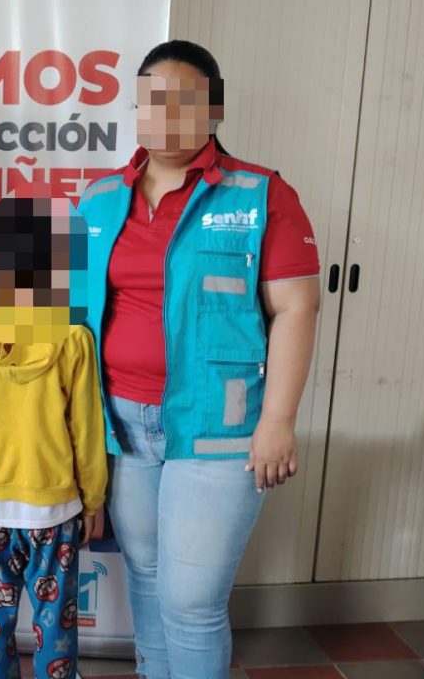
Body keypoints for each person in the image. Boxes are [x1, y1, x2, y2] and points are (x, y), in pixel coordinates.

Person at [78, 39, 321, 679]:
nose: (165, 114)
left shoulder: (260, 194)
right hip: (121, 427)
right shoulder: (99, 198)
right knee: (148, 576)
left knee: (191, 601)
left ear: (214, 109)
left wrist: (278, 420)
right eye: (151, 100)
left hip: (220, 427)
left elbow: (297, 308)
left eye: (184, 100)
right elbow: (76, 319)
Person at [0, 190, 107, 679]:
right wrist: (94, 499)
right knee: (54, 624)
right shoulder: (74, 337)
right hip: (53, 507)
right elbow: (87, 430)